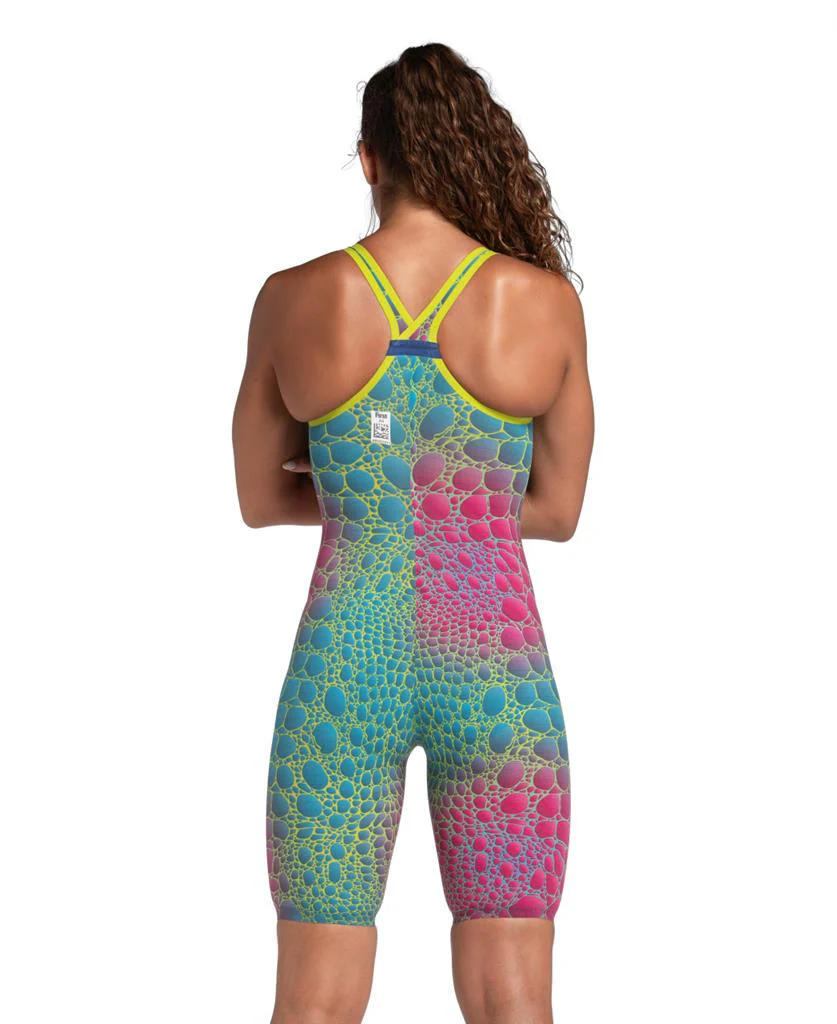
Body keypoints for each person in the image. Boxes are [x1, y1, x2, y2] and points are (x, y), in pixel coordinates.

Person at [233, 41, 594, 1024]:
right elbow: (557, 511)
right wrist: (455, 505)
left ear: (369, 160)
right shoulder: (543, 302)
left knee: (312, 1002)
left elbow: (260, 498)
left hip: (348, 665)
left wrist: (369, 498)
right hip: (496, 667)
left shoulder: (294, 298)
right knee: (515, 1000)